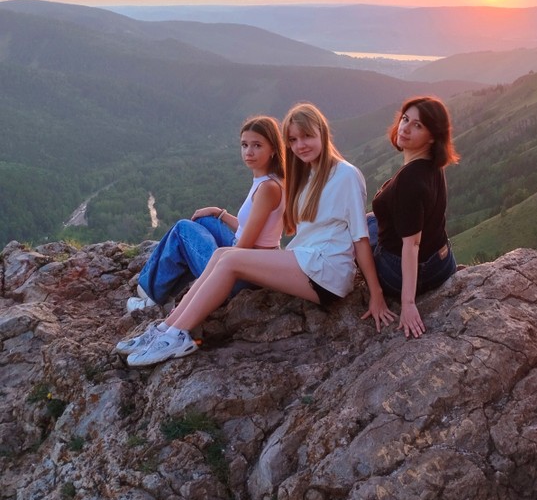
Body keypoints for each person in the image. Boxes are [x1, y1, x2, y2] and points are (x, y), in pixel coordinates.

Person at [121, 102, 396, 367]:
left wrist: (376, 294)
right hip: (308, 261)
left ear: (322, 133)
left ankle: (178, 335)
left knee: (230, 259)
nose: (300, 145)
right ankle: (166, 328)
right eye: (293, 139)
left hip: (328, 272)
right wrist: (222, 215)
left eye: (307, 136)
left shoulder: (346, 175)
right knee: (221, 253)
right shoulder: (306, 174)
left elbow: (360, 238)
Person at [116, 115, 285, 354]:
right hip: (251, 261)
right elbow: (253, 229)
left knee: (184, 230)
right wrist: (220, 213)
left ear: (273, 149)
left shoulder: (268, 188)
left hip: (242, 275)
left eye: (257, 145)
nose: (249, 152)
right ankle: (162, 290)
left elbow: (244, 247)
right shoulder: (268, 180)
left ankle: (151, 297)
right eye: (244, 145)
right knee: (205, 220)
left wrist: (214, 265)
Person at [366, 95, 459, 339]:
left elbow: (412, 244)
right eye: (405, 119)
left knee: (354, 235)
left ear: (432, 136)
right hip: (442, 263)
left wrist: (408, 303)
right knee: (368, 220)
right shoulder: (432, 165)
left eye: (417, 125)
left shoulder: (409, 181)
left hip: (403, 273)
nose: (405, 128)